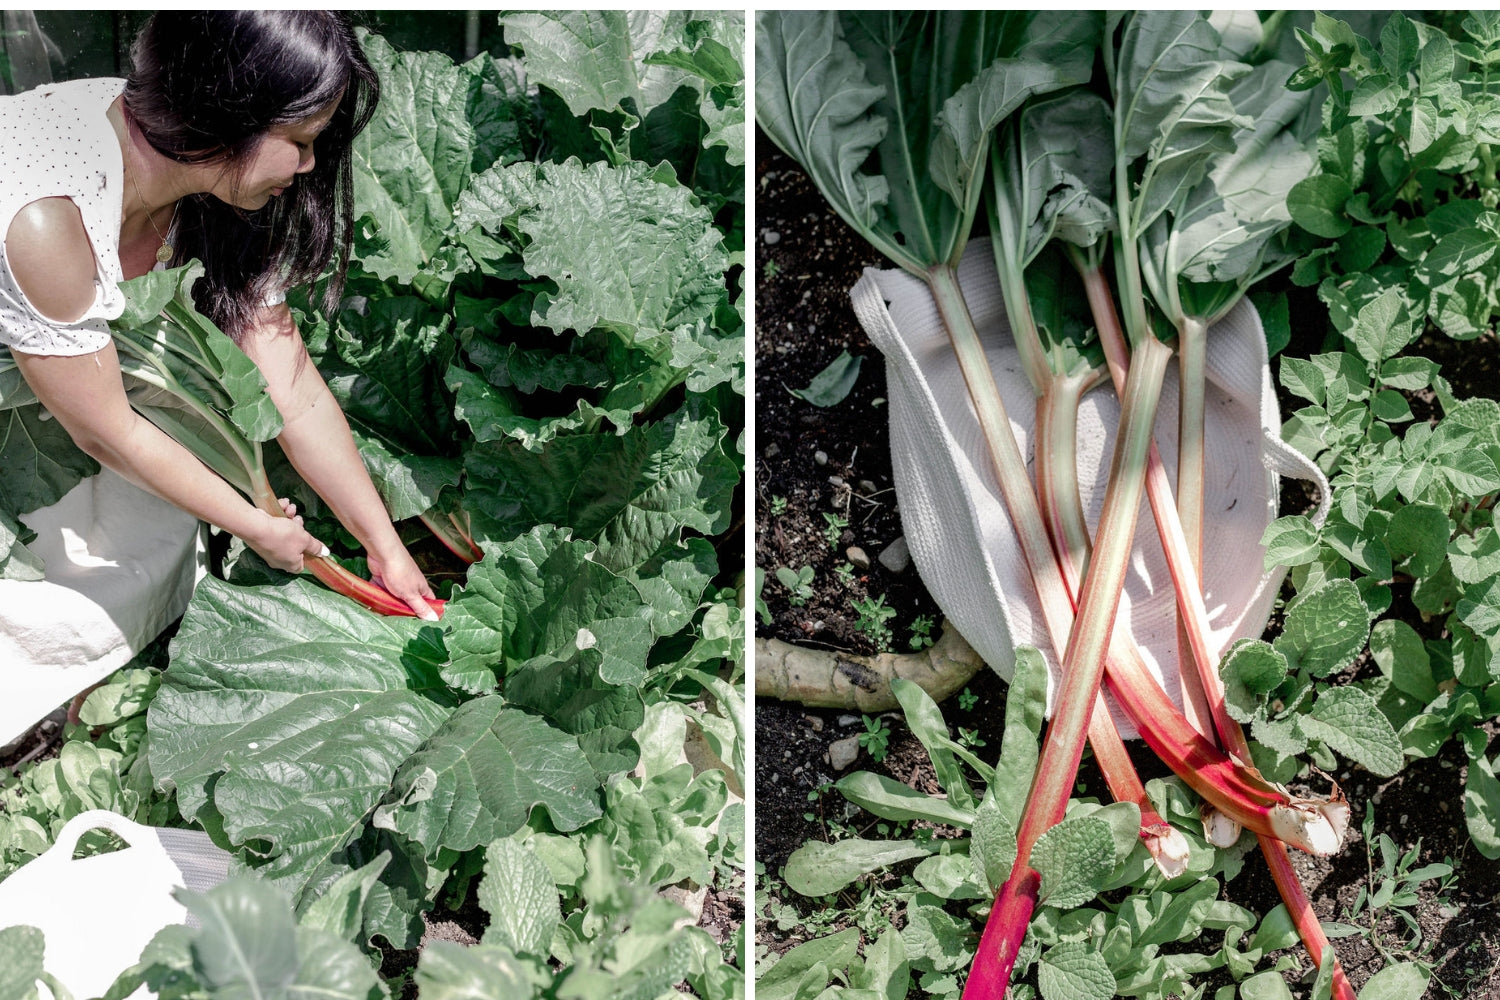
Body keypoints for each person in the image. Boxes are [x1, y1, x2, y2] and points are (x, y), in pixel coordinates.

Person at [0, 11, 439, 627]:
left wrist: (384, 547)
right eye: (301, 142)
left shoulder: (210, 185)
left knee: (139, 556)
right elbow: (105, 431)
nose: (311, 167)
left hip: (60, 382)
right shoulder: (45, 214)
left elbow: (290, 386)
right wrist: (255, 526)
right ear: (226, 117)